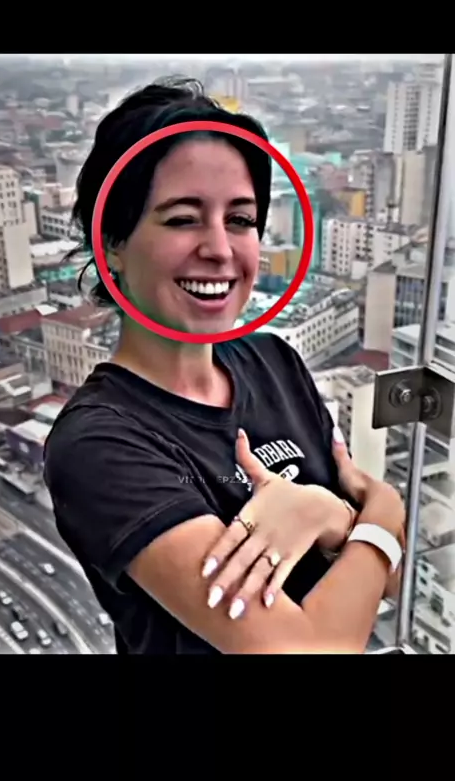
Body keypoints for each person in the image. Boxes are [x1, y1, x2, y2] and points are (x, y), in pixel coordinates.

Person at [44, 77, 405, 655]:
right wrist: (379, 511)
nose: (219, 248)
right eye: (182, 219)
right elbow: (311, 651)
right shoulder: (101, 444)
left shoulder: (274, 362)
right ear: (112, 243)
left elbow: (392, 579)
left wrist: (334, 518)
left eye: (240, 220)